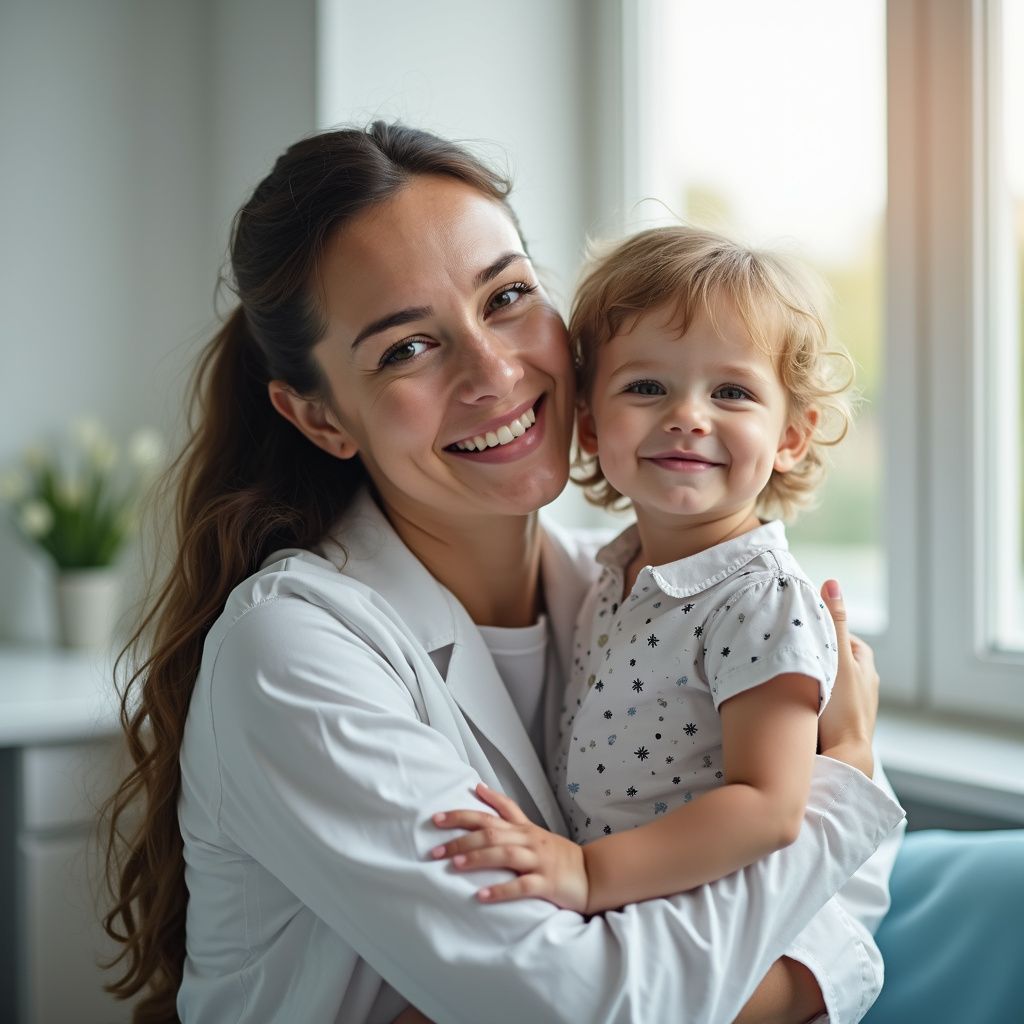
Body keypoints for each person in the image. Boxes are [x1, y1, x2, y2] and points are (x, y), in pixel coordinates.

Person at [99, 122, 1021, 1024]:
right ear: (321, 418)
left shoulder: (636, 586)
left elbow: (857, 889)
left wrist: (799, 923)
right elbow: (585, 1005)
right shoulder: (292, 650)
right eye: (407, 347)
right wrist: (842, 784)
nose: (494, 371)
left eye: (506, 296)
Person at [431, 225, 874, 919]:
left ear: (790, 437)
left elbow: (769, 807)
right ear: (589, 427)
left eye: (732, 392)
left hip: (702, 919)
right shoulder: (615, 572)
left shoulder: (761, 599)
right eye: (646, 386)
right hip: (623, 904)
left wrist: (588, 872)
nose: (688, 416)